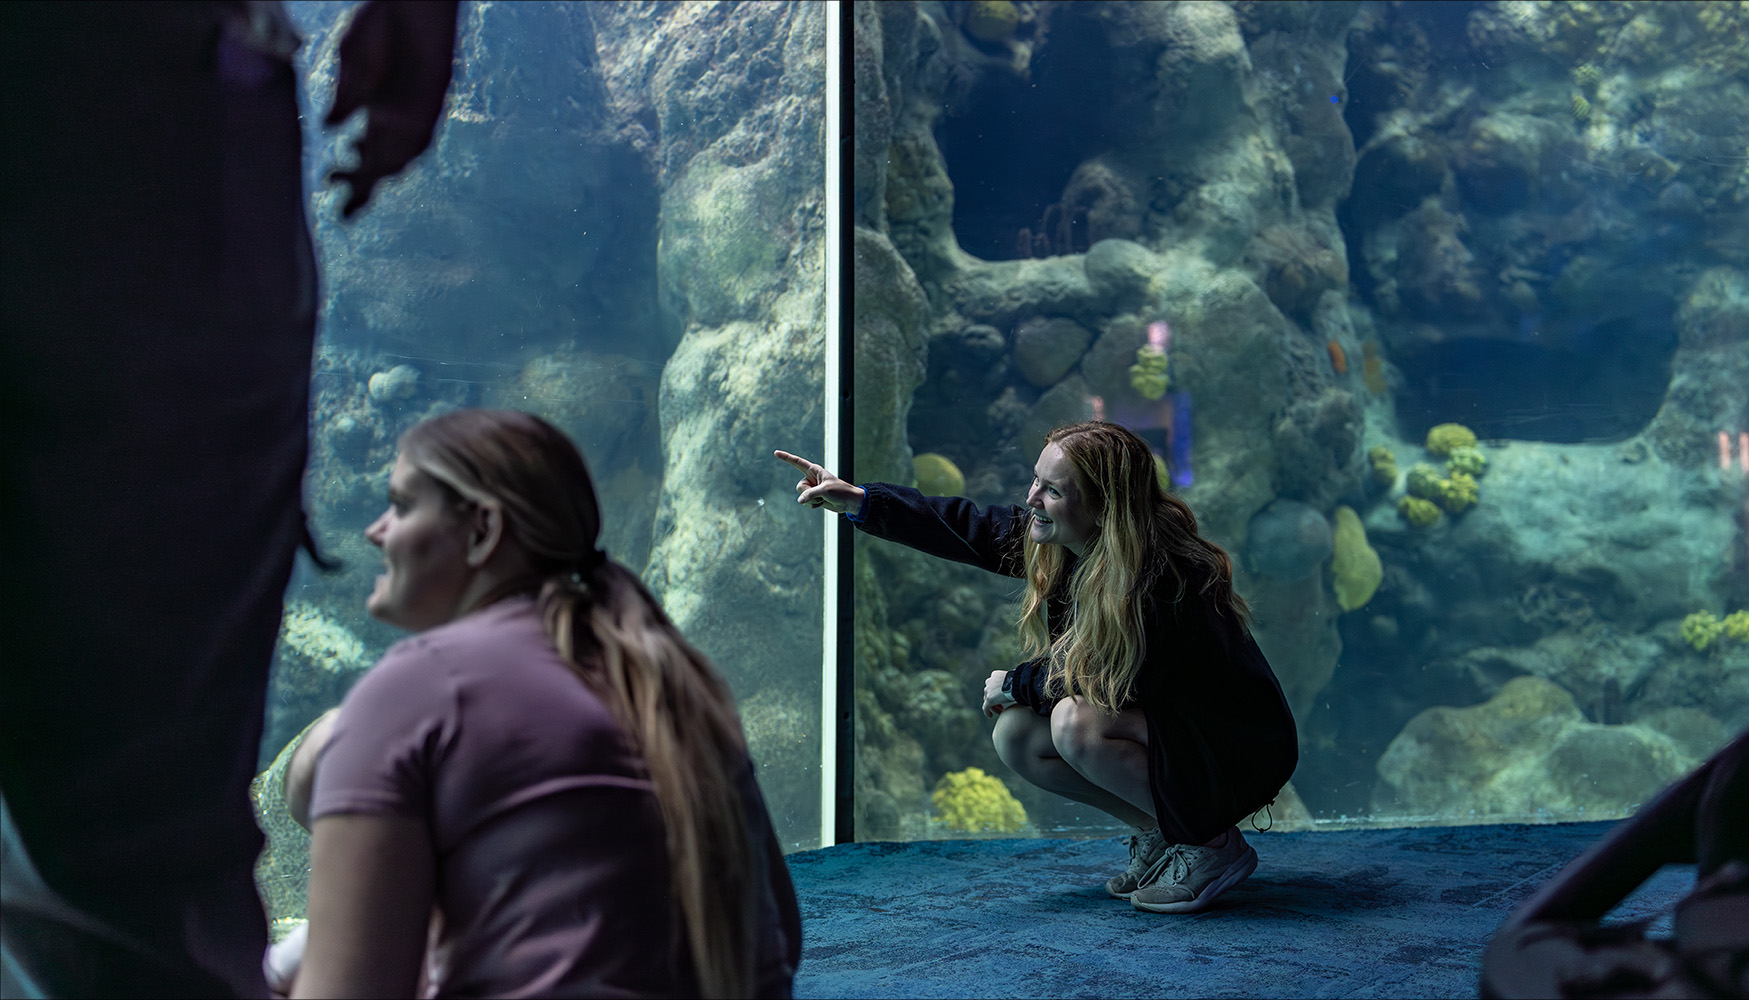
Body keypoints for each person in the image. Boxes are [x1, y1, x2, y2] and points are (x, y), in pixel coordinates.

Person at [0, 3, 456, 995]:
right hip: (137, 107)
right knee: (125, 852)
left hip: (133, 107)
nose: (375, 528)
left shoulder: (411, 721)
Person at [277, 409, 800, 998]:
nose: (378, 531)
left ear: (482, 532)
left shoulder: (417, 690)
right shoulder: (677, 680)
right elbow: (784, 937)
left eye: (400, 506)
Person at [778, 420, 1298, 914]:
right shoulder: (1071, 542)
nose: (1031, 498)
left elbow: (1109, 680)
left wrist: (1015, 681)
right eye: (1035, 480)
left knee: (1076, 724)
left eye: (1053, 490)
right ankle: (1164, 833)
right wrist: (862, 501)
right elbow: (968, 527)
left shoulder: (1164, 576)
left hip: (1232, 750)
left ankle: (1209, 843)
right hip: (1168, 733)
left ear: (1103, 506)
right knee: (1017, 735)